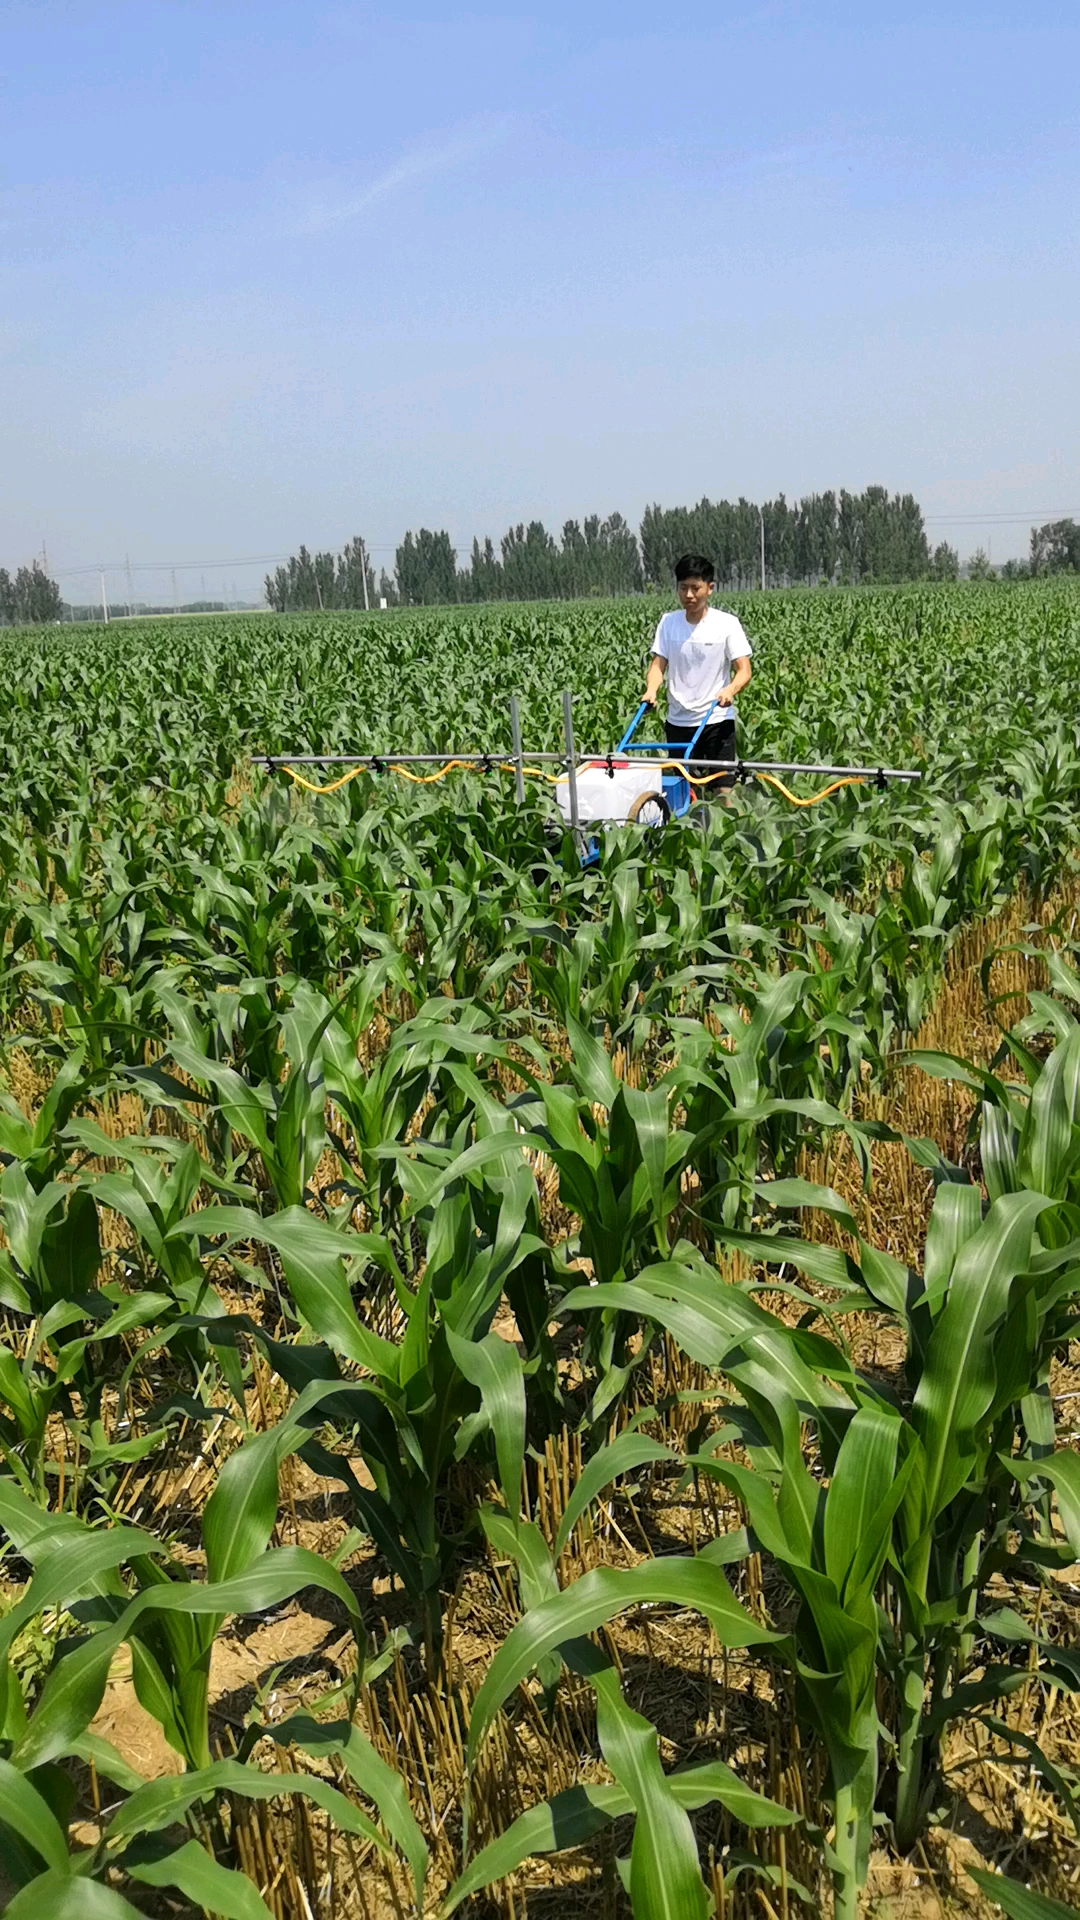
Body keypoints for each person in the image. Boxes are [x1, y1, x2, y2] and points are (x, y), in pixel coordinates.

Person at [642, 552, 752, 797]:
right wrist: (651, 690)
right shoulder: (668, 623)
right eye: (683, 588)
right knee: (683, 790)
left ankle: (730, 832)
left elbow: (744, 670)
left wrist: (730, 690)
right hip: (679, 721)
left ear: (710, 588)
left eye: (695, 588)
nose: (689, 595)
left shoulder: (727, 624)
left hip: (716, 719)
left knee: (723, 788)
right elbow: (658, 665)